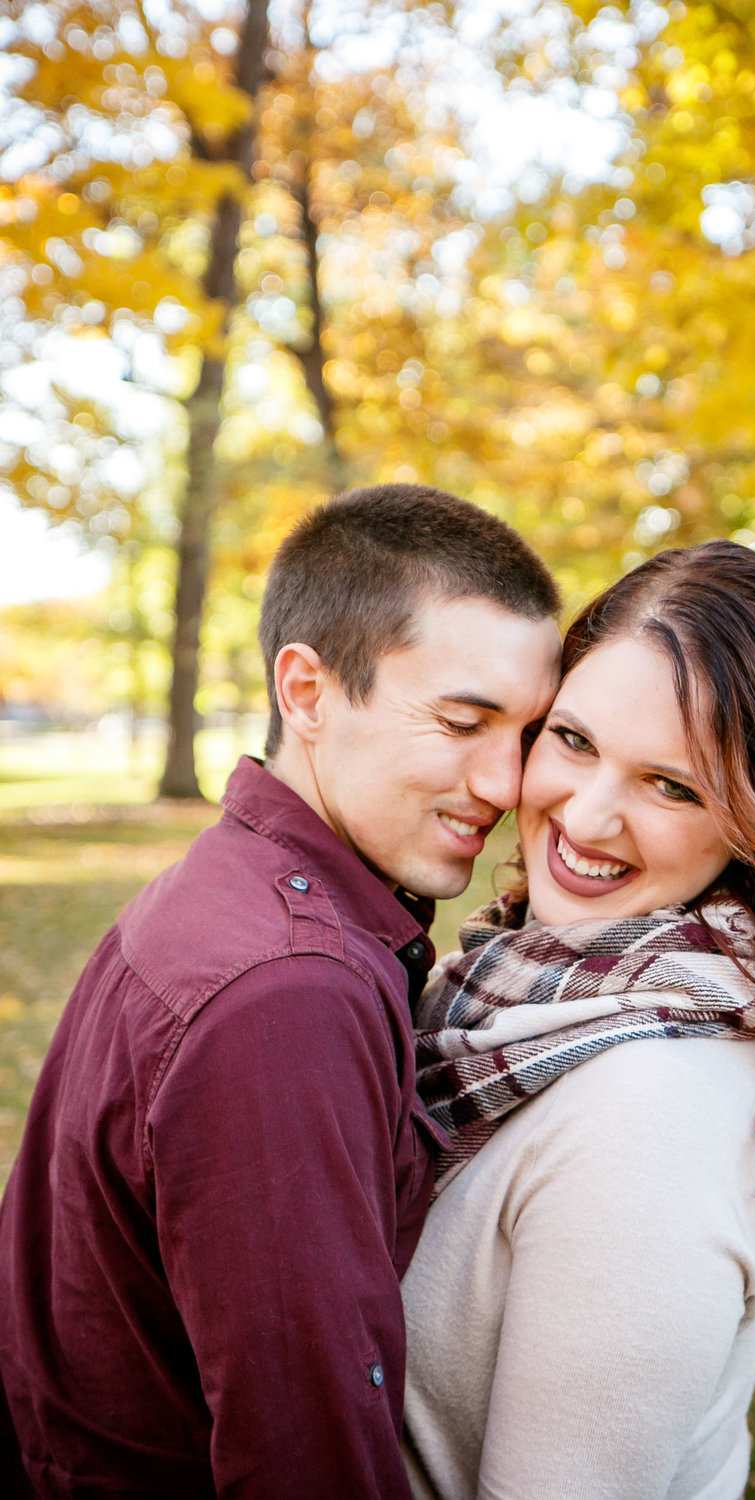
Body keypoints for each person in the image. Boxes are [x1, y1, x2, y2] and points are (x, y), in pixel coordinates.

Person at [0, 483, 562, 1499]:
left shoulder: (236, 893)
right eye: (461, 720)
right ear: (304, 692)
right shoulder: (286, 992)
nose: (504, 784)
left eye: (524, 733)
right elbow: (304, 1454)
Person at [402, 540, 755, 1500]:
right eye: (573, 740)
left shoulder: (648, 1120)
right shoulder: (519, 996)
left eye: (673, 786)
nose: (589, 818)